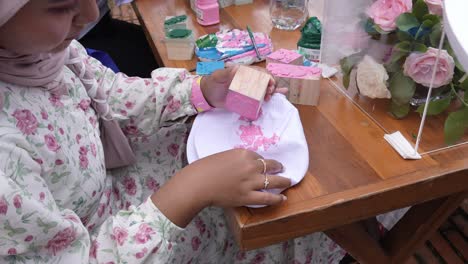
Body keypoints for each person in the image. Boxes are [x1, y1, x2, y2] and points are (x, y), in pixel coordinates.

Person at [0, 0, 345, 263]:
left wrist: (200, 91)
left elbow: (110, 94)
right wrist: (189, 191)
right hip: (117, 239)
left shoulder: (42, 53)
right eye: (61, 7)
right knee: (289, 217)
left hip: (122, 184)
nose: (91, 14)